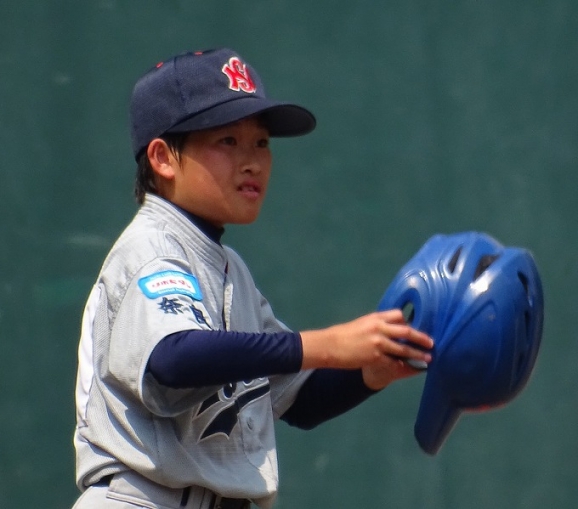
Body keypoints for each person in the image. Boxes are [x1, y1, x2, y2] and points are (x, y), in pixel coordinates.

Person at [71, 48, 433, 509]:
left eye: (261, 143)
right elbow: (174, 358)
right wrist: (325, 345)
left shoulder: (229, 270)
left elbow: (299, 400)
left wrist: (373, 371)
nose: (253, 161)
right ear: (163, 158)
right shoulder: (151, 248)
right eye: (227, 141)